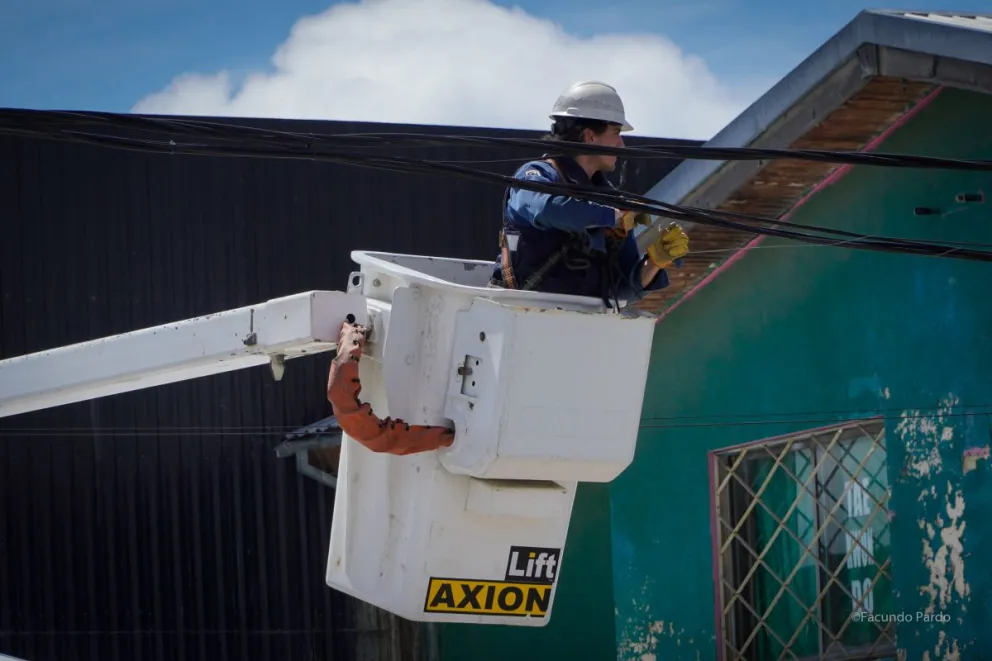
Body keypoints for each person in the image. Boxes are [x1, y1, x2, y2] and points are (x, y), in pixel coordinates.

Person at [489, 81, 689, 308]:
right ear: (590, 136)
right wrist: (609, 217)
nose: (622, 145)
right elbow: (546, 209)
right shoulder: (536, 176)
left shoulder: (609, 202)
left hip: (579, 322)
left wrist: (655, 262)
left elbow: (622, 292)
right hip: (518, 313)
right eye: (616, 133)